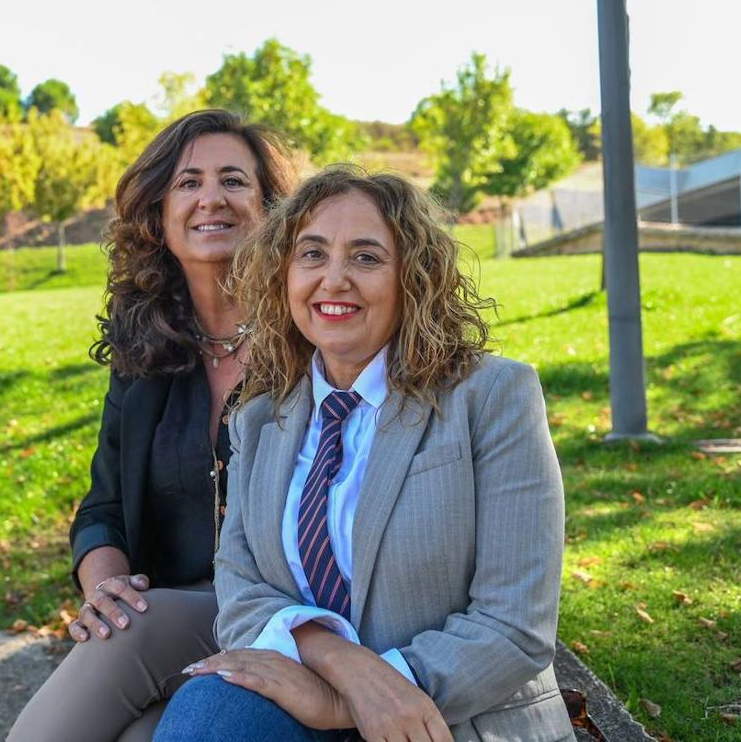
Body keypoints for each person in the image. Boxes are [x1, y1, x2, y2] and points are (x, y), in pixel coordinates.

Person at [155, 167, 574, 742]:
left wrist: (357, 699)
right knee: (208, 714)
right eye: (312, 254)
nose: (334, 279)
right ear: (283, 276)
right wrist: (334, 660)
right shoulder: (258, 418)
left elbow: (515, 623)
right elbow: (240, 583)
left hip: (448, 716)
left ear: (413, 279)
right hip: (297, 695)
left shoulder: (493, 397)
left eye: (367, 258)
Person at [5, 110, 295, 742]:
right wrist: (105, 588)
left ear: (273, 209)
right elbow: (103, 508)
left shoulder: (312, 342)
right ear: (159, 216)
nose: (210, 198)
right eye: (188, 182)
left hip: (282, 614)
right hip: (162, 613)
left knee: (137, 632)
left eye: (233, 181)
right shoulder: (147, 354)